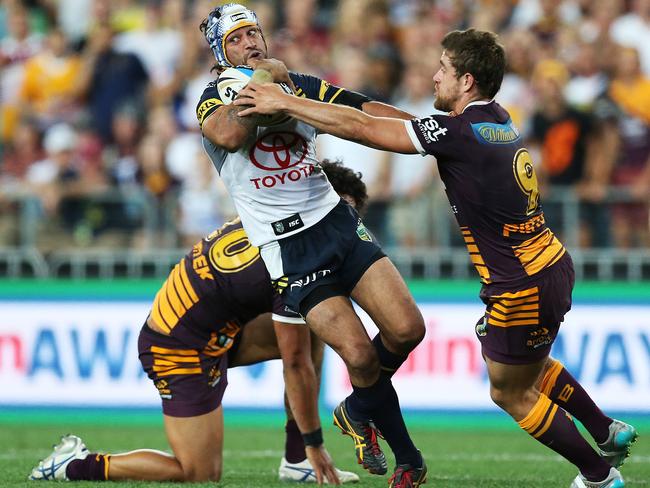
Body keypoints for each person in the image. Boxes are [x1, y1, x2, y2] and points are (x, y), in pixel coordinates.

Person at [235, 28, 639, 488]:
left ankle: (599, 476)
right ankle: (605, 429)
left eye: (442, 70)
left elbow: (364, 129)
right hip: (549, 265)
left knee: (511, 392)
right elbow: (392, 123)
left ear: (466, 81)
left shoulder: (460, 131)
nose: (433, 78)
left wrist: (286, 102)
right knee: (526, 365)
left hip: (521, 282)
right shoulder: (498, 120)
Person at [197, 4, 427, 487]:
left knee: (408, 329)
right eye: (238, 39)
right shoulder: (210, 100)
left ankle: (357, 408)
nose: (252, 42)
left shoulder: (296, 83)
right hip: (289, 248)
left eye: (255, 33)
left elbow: (363, 109)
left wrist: (426, 131)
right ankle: (409, 460)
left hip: (336, 222)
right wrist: (266, 78)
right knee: (359, 357)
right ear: (221, 52)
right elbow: (231, 134)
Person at [28, 160, 364, 485]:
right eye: (337, 215)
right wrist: (314, 440)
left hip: (212, 331)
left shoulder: (270, 216)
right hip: (176, 346)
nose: (341, 228)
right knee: (198, 472)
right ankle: (75, 464)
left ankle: (296, 461)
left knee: (312, 328)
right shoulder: (296, 255)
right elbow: (294, 361)